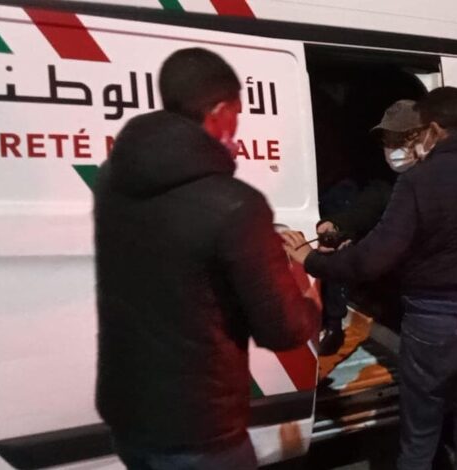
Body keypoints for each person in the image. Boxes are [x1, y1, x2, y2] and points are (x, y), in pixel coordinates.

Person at [283, 87, 457, 470]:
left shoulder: (418, 182)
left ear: (434, 129)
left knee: (419, 439)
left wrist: (311, 259)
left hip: (431, 324)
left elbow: (371, 260)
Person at [93, 48, 320, 470]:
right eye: (237, 113)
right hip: (200, 431)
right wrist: (311, 298)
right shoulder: (235, 205)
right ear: (219, 112)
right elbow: (283, 330)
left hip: (129, 419)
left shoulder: (111, 179)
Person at [316, 99, 425, 355]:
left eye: (400, 139)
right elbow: (368, 206)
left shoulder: (440, 179)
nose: (392, 148)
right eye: (388, 140)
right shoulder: (389, 181)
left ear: (423, 136)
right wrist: (339, 224)